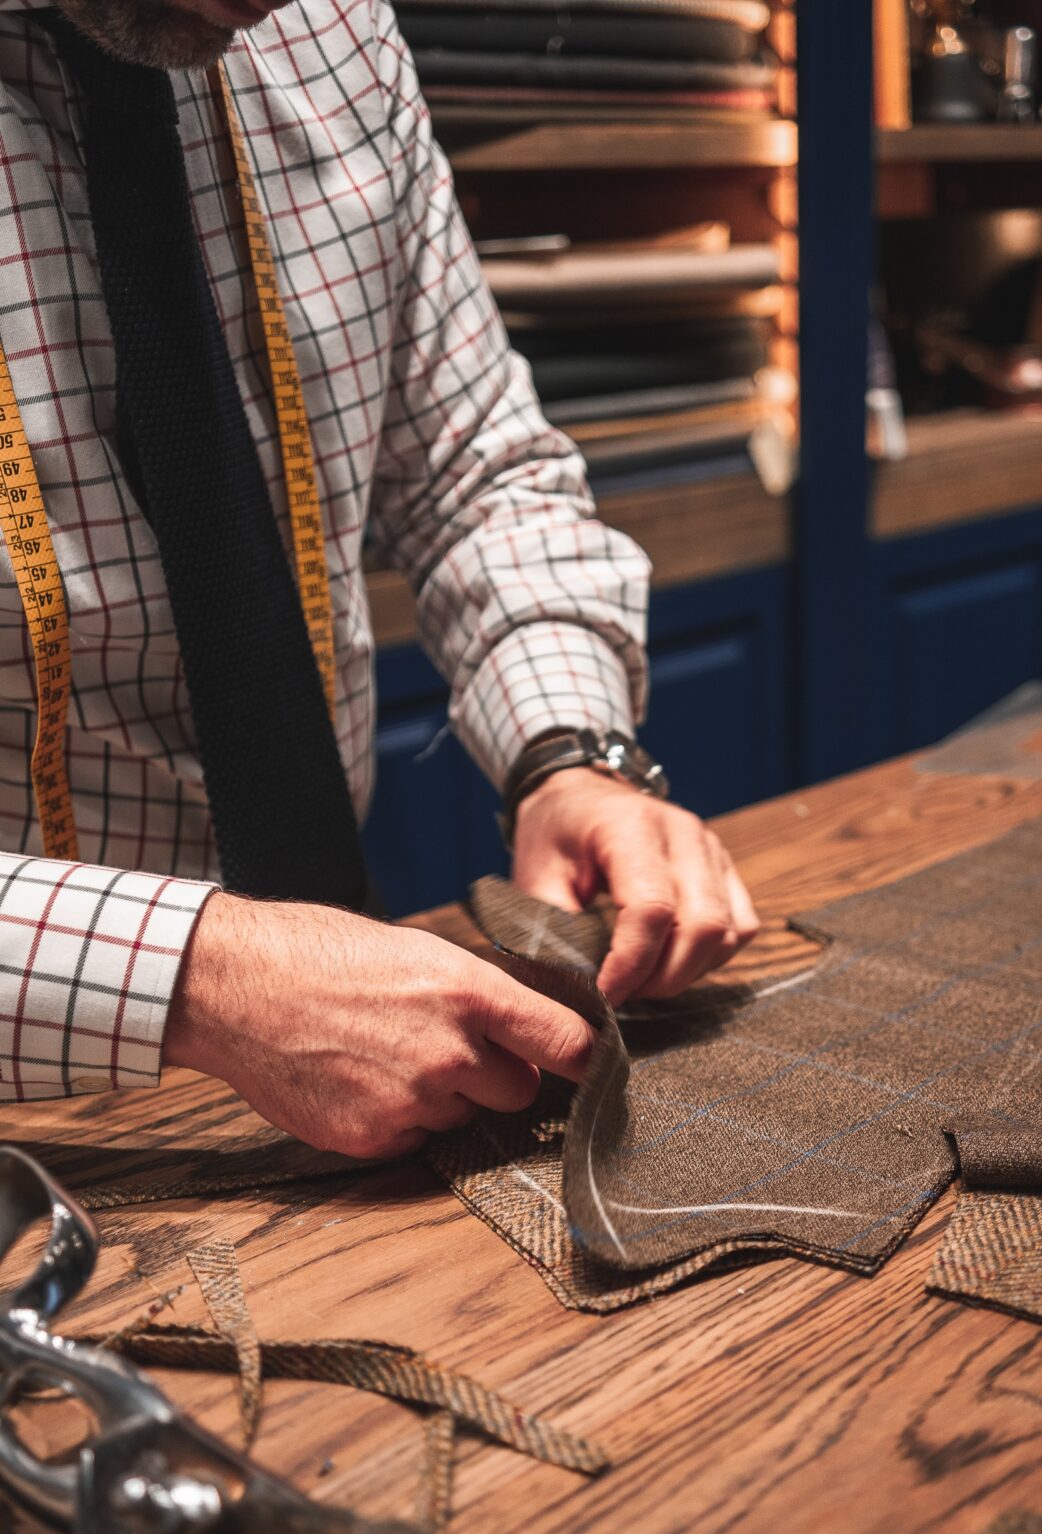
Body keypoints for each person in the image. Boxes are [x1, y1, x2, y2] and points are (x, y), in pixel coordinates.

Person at [0, 0, 759, 1155]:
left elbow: (472, 469)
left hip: (356, 1080)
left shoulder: (330, 31)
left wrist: (569, 756)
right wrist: (195, 978)